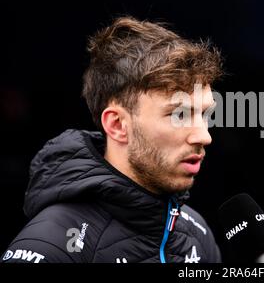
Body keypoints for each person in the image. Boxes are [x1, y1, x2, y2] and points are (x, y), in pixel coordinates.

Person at [1, 16, 223, 263]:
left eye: (205, 114)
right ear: (117, 125)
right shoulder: (51, 247)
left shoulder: (199, 235)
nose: (204, 135)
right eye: (179, 114)